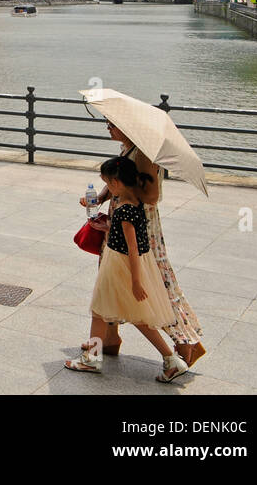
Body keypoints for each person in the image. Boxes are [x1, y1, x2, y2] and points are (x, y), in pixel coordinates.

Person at [91, 119, 206, 367]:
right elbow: (119, 180)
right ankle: (109, 338)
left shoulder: (143, 153)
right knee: (109, 277)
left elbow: (152, 196)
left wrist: (125, 200)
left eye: (112, 124)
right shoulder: (127, 148)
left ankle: (184, 342)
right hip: (121, 218)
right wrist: (101, 197)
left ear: (129, 126)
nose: (108, 127)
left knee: (157, 283)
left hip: (138, 223)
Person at [65, 155, 188, 383]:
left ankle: (92, 359)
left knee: (101, 311)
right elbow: (134, 239)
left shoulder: (123, 210)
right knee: (132, 317)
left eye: (108, 183)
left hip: (118, 265)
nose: (108, 189)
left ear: (117, 183)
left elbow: (132, 248)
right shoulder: (136, 205)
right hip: (123, 263)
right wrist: (109, 226)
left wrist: (136, 281)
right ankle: (171, 360)